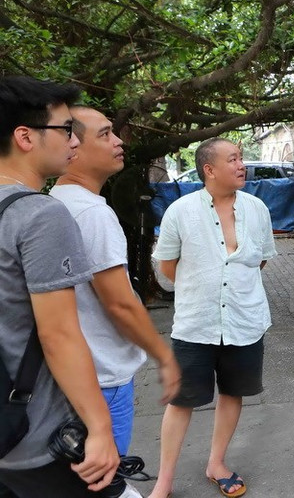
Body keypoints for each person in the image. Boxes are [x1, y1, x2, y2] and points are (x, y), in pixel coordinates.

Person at [0, 77, 119, 496]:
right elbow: (59, 335)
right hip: (38, 437)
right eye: (66, 129)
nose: (74, 140)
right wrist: (101, 429)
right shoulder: (40, 215)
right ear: (25, 136)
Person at [50, 106, 181, 458]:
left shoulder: (55, 202)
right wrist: (163, 357)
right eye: (105, 134)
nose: (119, 141)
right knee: (105, 471)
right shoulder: (93, 213)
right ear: (73, 145)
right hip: (103, 377)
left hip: (73, 376)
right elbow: (119, 303)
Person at [148, 138, 276, 498]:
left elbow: (261, 259)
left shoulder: (257, 209)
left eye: (241, 158)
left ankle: (216, 463)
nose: (241, 165)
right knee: (182, 399)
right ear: (209, 169)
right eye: (233, 159)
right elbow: (168, 268)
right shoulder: (180, 211)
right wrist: (202, 287)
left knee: (233, 392)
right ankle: (164, 481)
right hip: (196, 322)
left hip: (245, 320)